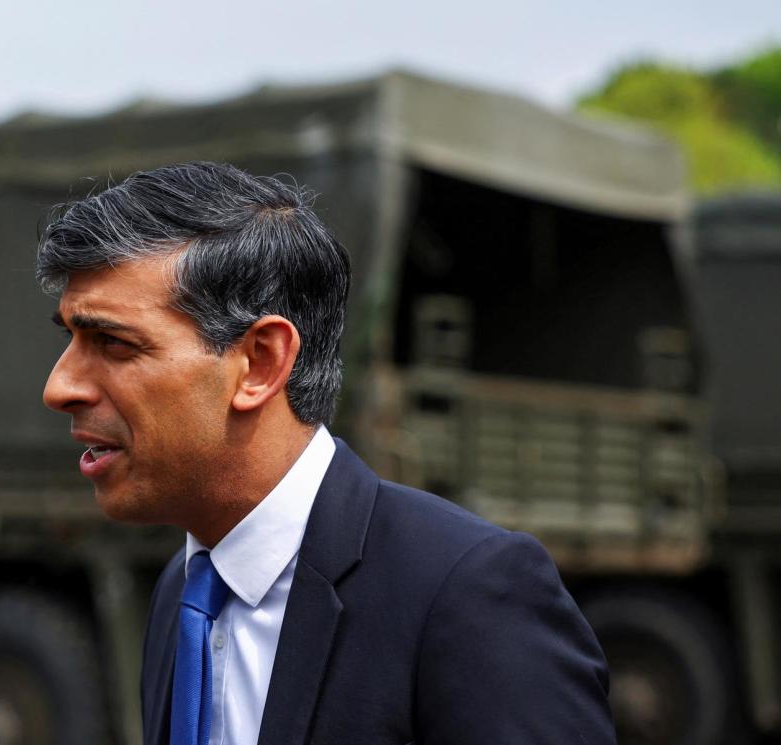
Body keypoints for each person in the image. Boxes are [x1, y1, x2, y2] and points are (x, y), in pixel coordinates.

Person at [37, 162, 615, 745]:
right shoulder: (183, 594)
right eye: (71, 339)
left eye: (112, 343)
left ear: (261, 363)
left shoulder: (466, 593)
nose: (59, 388)